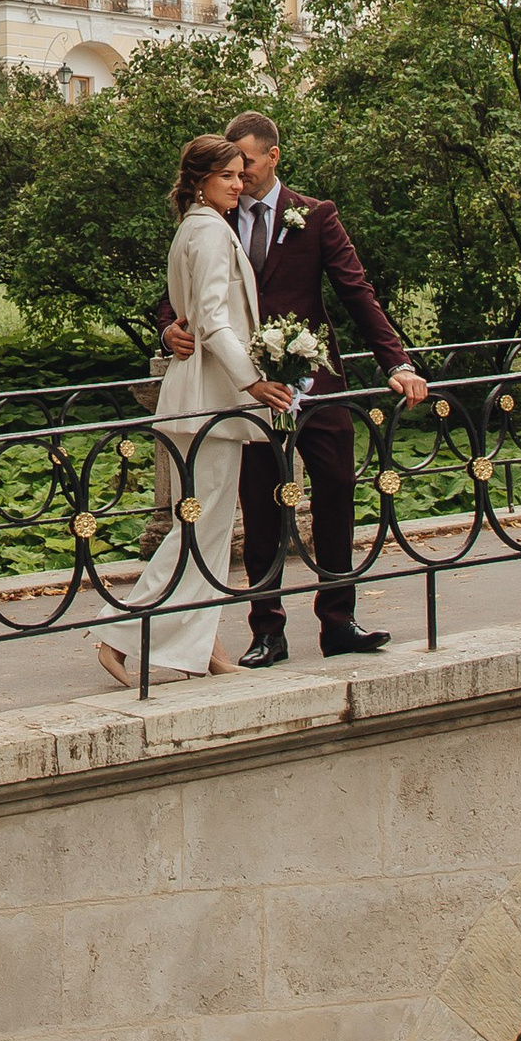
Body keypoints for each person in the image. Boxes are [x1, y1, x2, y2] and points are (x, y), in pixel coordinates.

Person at [158, 108, 429, 660]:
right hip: (246, 387)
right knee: (259, 505)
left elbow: (357, 291)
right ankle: (267, 630)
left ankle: (339, 622)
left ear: (273, 157)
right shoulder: (215, 213)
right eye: (232, 168)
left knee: (336, 493)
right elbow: (182, 290)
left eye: (249, 164)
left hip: (316, 378)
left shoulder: (315, 214)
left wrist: (397, 363)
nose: (241, 176)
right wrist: (168, 329)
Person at [99, 133, 261, 689]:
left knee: (208, 530)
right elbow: (212, 318)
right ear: (199, 182)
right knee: (201, 529)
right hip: (209, 397)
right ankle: (120, 631)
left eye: (242, 175)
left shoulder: (192, 228)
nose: (239, 186)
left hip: (196, 393)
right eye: (228, 177)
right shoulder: (211, 232)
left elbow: (195, 315)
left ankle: (202, 644)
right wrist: (255, 381)